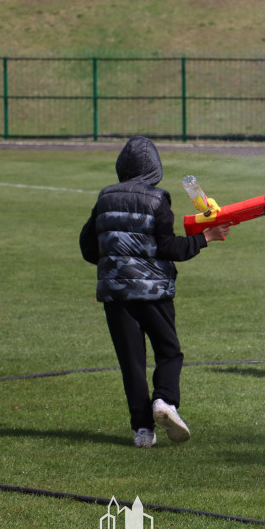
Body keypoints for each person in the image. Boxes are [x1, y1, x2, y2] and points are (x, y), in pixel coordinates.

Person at [79, 136, 230, 448]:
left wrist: (114, 259)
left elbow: (88, 247)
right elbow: (169, 247)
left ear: (122, 166)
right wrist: (206, 237)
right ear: (154, 169)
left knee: (131, 362)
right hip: (153, 293)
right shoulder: (158, 199)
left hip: (116, 295)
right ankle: (164, 400)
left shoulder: (105, 197)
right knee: (168, 351)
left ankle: (143, 431)